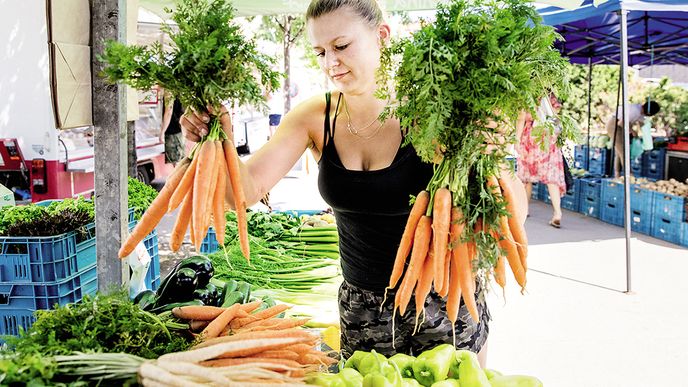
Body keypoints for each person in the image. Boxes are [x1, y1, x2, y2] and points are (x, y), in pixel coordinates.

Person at [180, 0, 527, 366]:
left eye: (342, 46)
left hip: (446, 301)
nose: (331, 62)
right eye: (320, 51)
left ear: (381, 36)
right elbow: (244, 192)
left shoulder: (436, 114)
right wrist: (213, 140)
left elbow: (511, 218)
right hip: (362, 310)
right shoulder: (314, 118)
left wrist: (493, 156)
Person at [516, 94, 566, 228]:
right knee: (551, 177)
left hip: (530, 139)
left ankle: (524, 210)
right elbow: (556, 118)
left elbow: (521, 119)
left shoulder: (526, 96)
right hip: (547, 139)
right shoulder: (550, 97)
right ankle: (557, 213)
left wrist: (516, 139)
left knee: (526, 178)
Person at [605, 101, 660, 177]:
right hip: (614, 126)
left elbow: (642, 123)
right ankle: (629, 175)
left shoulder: (640, 112)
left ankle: (617, 175)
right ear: (649, 112)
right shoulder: (635, 111)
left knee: (619, 152)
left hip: (621, 127)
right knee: (623, 152)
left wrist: (647, 137)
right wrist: (632, 131)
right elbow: (620, 123)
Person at [160, 93, 186, 166]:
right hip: (179, 129)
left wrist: (162, 132)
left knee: (177, 162)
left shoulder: (169, 92)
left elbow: (169, 111)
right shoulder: (177, 89)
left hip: (173, 130)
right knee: (180, 160)